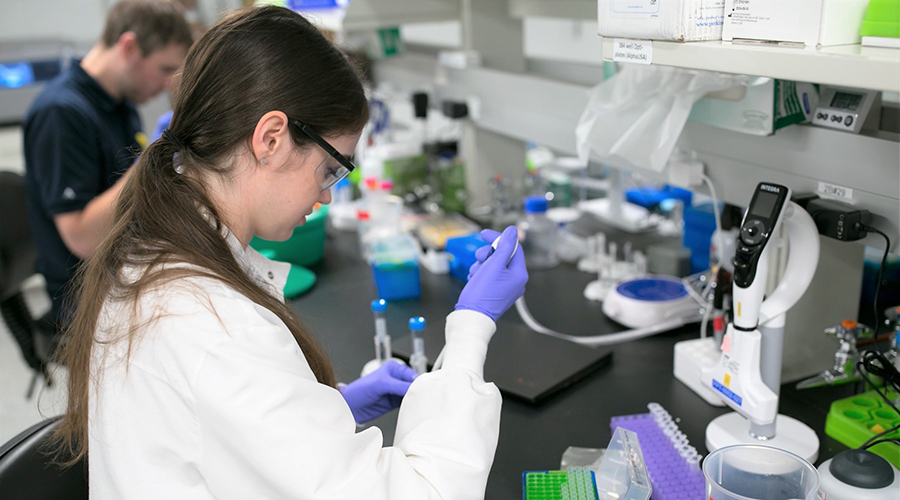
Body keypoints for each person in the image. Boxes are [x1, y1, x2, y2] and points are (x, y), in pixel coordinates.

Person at [50, 6, 528, 500]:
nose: (327, 197)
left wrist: (332, 406)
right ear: (271, 138)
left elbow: (214, 424)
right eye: (329, 170)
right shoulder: (216, 326)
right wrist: (471, 328)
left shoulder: (151, 247)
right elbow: (421, 492)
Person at [23, 0, 193, 330]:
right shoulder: (60, 114)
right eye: (163, 69)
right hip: (86, 299)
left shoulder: (120, 103)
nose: (167, 85)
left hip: (125, 267)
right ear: (129, 46)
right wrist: (151, 160)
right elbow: (83, 238)